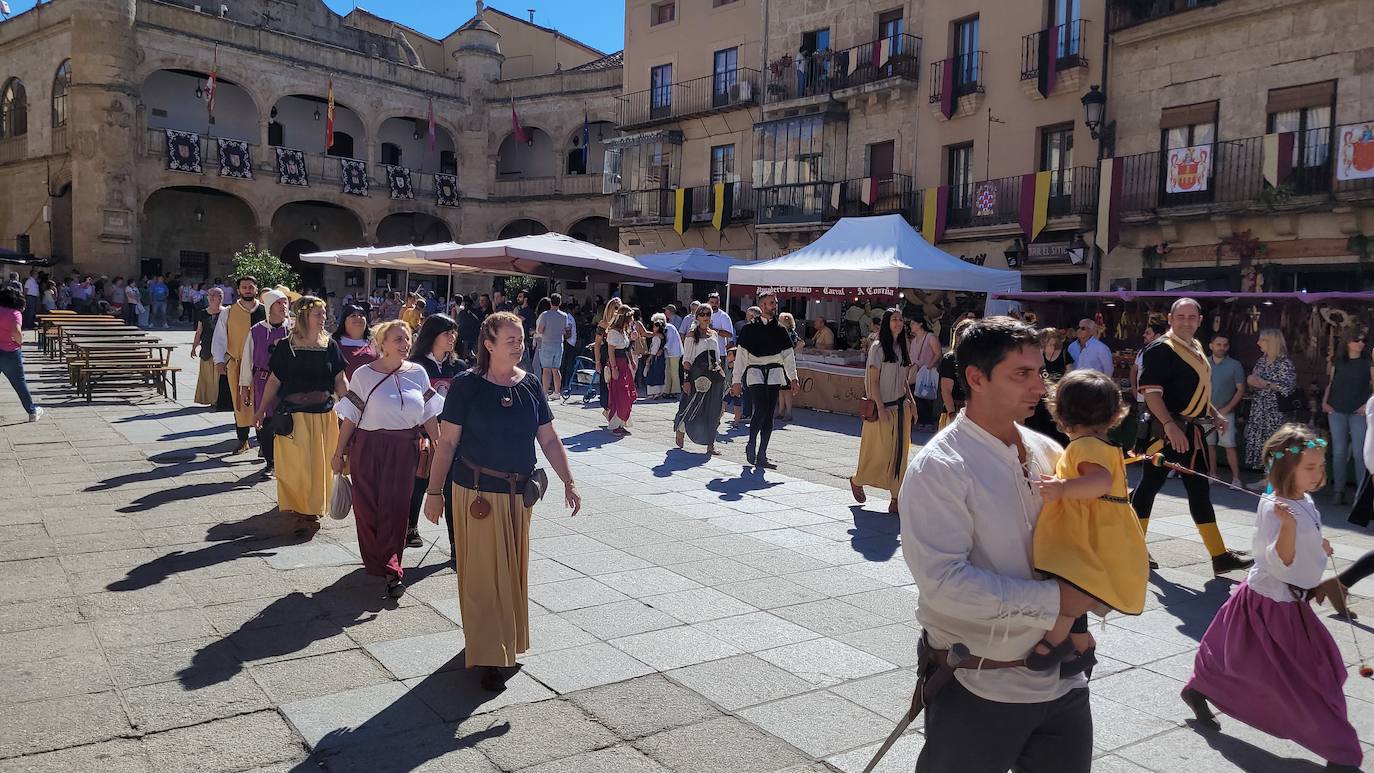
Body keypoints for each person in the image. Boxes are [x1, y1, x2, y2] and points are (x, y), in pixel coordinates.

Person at [900, 317, 1099, 773]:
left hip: (1062, 681)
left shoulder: (1048, 450)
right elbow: (944, 585)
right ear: (976, 378)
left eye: (1040, 371)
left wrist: (1089, 599)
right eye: (1021, 374)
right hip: (979, 679)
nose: (1040, 386)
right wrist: (1056, 601)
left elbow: (1074, 547)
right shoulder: (941, 467)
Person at [1181, 425, 1361, 772]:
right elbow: (1280, 561)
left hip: (1288, 602)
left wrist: (1317, 543)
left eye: (1321, 466)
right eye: (1310, 467)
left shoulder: (1303, 500)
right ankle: (1341, 753)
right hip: (1272, 603)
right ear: (1284, 469)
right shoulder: (1277, 508)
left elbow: (1306, 537)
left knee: (1312, 671)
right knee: (1311, 679)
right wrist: (1291, 531)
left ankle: (1199, 689)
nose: (1319, 473)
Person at [422, 312, 582, 692]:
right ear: (488, 344)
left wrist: (568, 481)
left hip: (518, 496)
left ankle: (502, 642)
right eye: (510, 339)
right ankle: (489, 656)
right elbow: (447, 443)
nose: (519, 344)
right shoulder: (466, 386)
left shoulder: (529, 385)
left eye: (521, 338)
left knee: (510, 573)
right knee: (480, 576)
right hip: (476, 493)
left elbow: (548, 438)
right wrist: (433, 492)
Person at [1027, 369, 1148, 675]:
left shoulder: (1084, 446)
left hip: (1089, 535)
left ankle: (1052, 645)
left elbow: (1100, 482)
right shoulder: (1103, 445)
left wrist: (1063, 488)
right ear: (1113, 416)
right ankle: (1081, 649)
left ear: (1062, 414)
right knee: (1074, 588)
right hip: (1105, 531)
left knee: (1070, 594)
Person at [1132, 298, 1252, 574]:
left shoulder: (1196, 347)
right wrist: (1169, 425)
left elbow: (1196, 392)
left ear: (1199, 320)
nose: (1186, 321)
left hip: (1192, 434)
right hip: (1166, 433)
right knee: (1149, 486)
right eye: (1181, 316)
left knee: (1199, 490)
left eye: (1192, 317)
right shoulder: (1160, 349)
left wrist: (1214, 413)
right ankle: (1133, 548)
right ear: (1171, 319)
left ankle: (1219, 555)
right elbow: (1150, 393)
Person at [334, 320, 444, 598]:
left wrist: (441, 446)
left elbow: (429, 414)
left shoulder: (418, 373)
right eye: (397, 339)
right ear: (381, 343)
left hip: (404, 449)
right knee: (367, 506)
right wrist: (338, 452)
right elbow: (350, 418)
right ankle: (376, 558)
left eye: (407, 338)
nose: (404, 344)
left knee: (396, 508)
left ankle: (392, 567)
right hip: (369, 447)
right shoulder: (363, 374)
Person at [252, 296, 347, 520]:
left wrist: (352, 407)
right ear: (304, 316)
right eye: (318, 314)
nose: (324, 318)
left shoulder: (330, 345)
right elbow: (274, 380)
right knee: (297, 466)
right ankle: (297, 504)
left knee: (318, 466)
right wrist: (260, 410)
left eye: (324, 313)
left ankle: (313, 507)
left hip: (323, 415)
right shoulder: (287, 346)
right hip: (294, 416)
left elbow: (340, 380)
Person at [407, 314, 465, 551]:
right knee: (419, 482)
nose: (452, 337)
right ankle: (410, 528)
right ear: (433, 336)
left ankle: (455, 544)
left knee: (453, 489)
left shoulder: (460, 367)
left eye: (454, 332)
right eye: (446, 333)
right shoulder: (416, 365)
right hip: (423, 432)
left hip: (454, 434)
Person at [849, 308, 914, 513]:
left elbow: (903, 379)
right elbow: (874, 381)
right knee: (878, 452)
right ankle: (858, 480)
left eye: (900, 320)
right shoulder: (878, 348)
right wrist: (881, 408)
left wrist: (912, 402)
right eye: (894, 319)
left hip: (901, 407)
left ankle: (896, 498)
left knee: (900, 454)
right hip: (882, 408)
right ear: (887, 323)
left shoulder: (903, 346)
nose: (898, 323)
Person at [731, 292, 798, 469]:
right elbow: (741, 358)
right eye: (770, 303)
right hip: (755, 373)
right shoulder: (749, 329)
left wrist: (793, 378)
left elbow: (788, 356)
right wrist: (736, 380)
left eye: (775, 303)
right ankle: (751, 442)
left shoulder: (780, 329)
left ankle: (762, 455)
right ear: (762, 306)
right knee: (760, 407)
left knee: (769, 414)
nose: (774, 306)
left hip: (775, 373)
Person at [240, 287, 294, 478]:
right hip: (263, 380)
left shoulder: (294, 329)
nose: (283, 306)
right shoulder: (256, 331)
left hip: (290, 382)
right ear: (269, 307)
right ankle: (270, 462)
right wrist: (245, 388)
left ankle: (287, 460)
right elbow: (247, 361)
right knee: (265, 421)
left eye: (285, 303)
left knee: (289, 421)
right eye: (279, 303)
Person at [212, 277, 266, 454]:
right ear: (239, 290)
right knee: (240, 402)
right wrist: (219, 360)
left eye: (251, 287)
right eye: (244, 287)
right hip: (237, 363)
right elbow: (220, 337)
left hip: (261, 366)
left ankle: (263, 443)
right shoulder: (228, 312)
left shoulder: (266, 311)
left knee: (262, 402)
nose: (248, 290)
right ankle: (243, 440)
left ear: (256, 289)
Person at [1321, 328, 1371, 505]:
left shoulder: (1368, 362)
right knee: (1339, 452)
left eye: (1363, 340)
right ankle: (1338, 490)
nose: (1361, 343)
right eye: (1357, 340)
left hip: (1358, 411)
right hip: (1336, 409)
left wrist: (1367, 405)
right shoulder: (1338, 361)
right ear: (1348, 342)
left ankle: (1360, 493)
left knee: (1359, 453)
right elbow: (1331, 383)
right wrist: (1324, 402)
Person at [1243, 328, 1298, 476]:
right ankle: (1265, 477)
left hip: (1275, 410)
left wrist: (1266, 383)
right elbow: (1255, 380)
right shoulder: (1262, 360)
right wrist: (1251, 381)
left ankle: (1271, 479)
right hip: (1259, 407)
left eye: (1262, 340)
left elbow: (1289, 388)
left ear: (1271, 342)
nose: (1258, 343)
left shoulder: (1284, 363)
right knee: (1261, 442)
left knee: (1274, 444)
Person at [675, 305, 725, 456]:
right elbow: (687, 359)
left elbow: (717, 356)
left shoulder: (714, 334)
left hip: (714, 374)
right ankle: (681, 428)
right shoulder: (692, 335)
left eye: (708, 314)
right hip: (697, 373)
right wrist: (686, 379)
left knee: (713, 409)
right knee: (691, 404)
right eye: (702, 314)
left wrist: (720, 370)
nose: (705, 316)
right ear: (697, 316)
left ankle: (710, 444)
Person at [1205, 333, 1246, 489]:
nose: (1222, 348)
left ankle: (1236, 479)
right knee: (1209, 444)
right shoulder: (1204, 363)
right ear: (1211, 345)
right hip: (1207, 410)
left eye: (1225, 345)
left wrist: (1227, 408)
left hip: (1226, 411)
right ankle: (1212, 474)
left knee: (1229, 445)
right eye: (1218, 344)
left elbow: (1240, 390)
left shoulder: (1235, 365)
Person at [0, 287, 40, 421]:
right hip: (10, 352)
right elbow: (16, 332)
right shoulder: (14, 313)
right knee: (19, 383)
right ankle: (32, 412)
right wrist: (20, 342)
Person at [1026, 327, 1071, 445]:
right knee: (1040, 425)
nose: (1052, 347)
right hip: (1042, 397)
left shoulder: (1064, 354)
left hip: (1057, 396)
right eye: (1049, 344)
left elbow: (1069, 372)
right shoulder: (1038, 355)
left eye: (1053, 344)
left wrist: (1057, 388)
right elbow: (1040, 372)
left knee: (1056, 425)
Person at [604, 307, 638, 435]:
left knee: (628, 393)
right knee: (620, 395)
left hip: (624, 365)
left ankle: (621, 423)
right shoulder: (613, 332)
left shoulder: (623, 331)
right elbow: (611, 351)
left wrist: (631, 360)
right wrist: (614, 369)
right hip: (617, 364)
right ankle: (615, 424)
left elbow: (625, 348)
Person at [938, 318, 974, 430]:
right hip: (955, 412)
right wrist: (952, 414)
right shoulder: (950, 359)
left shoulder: (979, 360)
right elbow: (946, 390)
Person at [907, 318, 941, 431]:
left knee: (925, 396)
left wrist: (929, 366)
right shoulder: (914, 339)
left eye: (913, 323)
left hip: (925, 373)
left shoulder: (930, 337)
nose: (911, 325)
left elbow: (938, 353)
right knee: (915, 395)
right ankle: (920, 420)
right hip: (915, 371)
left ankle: (927, 422)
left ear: (920, 323)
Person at [534, 293, 570, 396]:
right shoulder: (564, 316)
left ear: (550, 302)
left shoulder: (545, 315)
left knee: (546, 369)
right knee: (556, 369)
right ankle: (557, 392)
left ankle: (545, 392)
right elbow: (566, 329)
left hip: (547, 343)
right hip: (559, 343)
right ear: (560, 303)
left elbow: (540, 330)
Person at [592, 298, 623, 414]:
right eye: (616, 307)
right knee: (606, 383)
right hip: (606, 356)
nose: (617, 310)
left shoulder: (621, 324)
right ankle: (608, 409)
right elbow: (597, 344)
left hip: (619, 356)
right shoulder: (603, 324)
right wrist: (597, 362)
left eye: (619, 307)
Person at [331, 303, 378, 379]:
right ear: (344, 321)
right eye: (353, 315)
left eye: (362, 315)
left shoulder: (374, 342)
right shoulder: (333, 343)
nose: (358, 318)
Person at [776, 312, 803, 420]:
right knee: (781, 389)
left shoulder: (791, 334)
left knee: (786, 390)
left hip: (786, 363)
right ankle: (781, 411)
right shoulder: (782, 332)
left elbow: (800, 344)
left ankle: (788, 412)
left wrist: (791, 352)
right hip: (780, 363)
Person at [661, 310, 683, 398]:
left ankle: (675, 390)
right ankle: (666, 390)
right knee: (667, 371)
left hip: (674, 352)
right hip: (668, 353)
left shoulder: (669, 327)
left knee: (674, 372)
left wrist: (662, 349)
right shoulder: (665, 328)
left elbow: (669, 341)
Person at [706, 292, 734, 356]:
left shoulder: (723, 316)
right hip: (704, 351)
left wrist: (714, 330)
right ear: (708, 302)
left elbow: (729, 334)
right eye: (712, 302)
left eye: (716, 302)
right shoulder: (703, 314)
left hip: (719, 352)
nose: (714, 305)